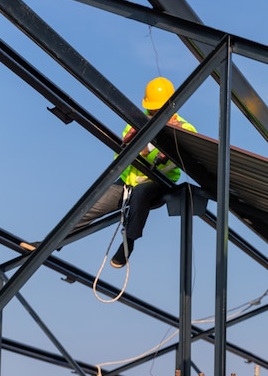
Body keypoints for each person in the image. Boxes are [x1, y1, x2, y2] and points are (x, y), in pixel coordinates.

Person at [76, 76, 197, 268]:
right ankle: (49, 244)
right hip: (128, 182)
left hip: (158, 184)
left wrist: (149, 150)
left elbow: (174, 163)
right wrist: (131, 143)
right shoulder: (137, 121)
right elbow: (121, 154)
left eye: (156, 108)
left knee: (141, 195)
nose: (152, 112)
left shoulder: (184, 130)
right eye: (150, 108)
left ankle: (128, 243)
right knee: (89, 208)